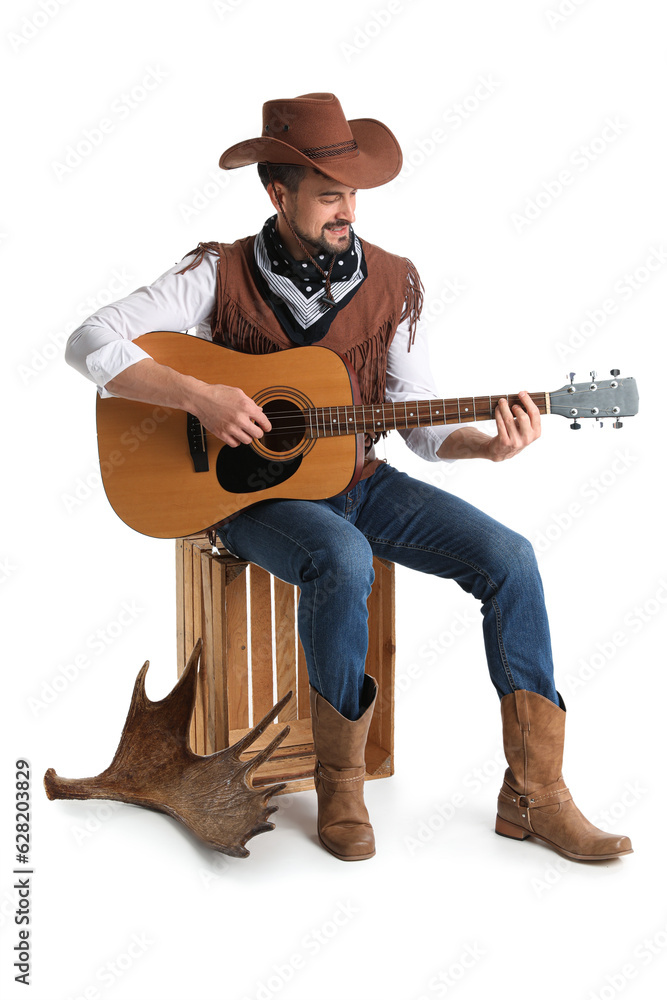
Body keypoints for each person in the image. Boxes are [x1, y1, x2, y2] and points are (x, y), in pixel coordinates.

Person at [66, 92, 632, 864]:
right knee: (340, 555)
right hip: (249, 497)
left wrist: (484, 447)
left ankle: (534, 796)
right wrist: (200, 396)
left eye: (352, 192)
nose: (347, 210)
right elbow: (89, 339)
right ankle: (341, 782)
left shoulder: (393, 281)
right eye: (328, 194)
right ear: (278, 194)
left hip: (358, 480)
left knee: (511, 559)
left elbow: (419, 427)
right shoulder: (215, 271)